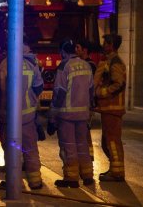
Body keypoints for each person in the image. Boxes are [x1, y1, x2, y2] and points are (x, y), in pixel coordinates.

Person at [0, 40, 44, 189]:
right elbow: (38, 87)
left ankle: (14, 182)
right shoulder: (32, 63)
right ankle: (35, 181)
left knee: (11, 149)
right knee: (30, 148)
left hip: (7, 116)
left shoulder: (1, 64)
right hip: (28, 115)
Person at [47, 39, 95, 188]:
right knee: (82, 144)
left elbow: (59, 91)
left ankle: (71, 177)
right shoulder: (86, 65)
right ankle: (87, 175)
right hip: (83, 114)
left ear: (63, 52)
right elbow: (91, 89)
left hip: (67, 114)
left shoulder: (64, 66)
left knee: (68, 146)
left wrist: (52, 114)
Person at [94, 34, 127, 182]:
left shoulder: (115, 62)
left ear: (111, 45)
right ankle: (114, 170)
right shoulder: (108, 60)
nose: (103, 46)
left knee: (112, 141)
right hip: (108, 108)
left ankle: (117, 173)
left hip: (112, 108)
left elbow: (119, 83)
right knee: (108, 141)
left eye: (105, 43)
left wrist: (102, 92)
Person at [75, 38, 97, 161]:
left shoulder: (90, 65)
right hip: (82, 103)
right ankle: (87, 153)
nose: (76, 50)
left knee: (85, 129)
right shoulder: (84, 64)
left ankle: (88, 154)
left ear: (85, 50)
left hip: (86, 103)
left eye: (78, 48)